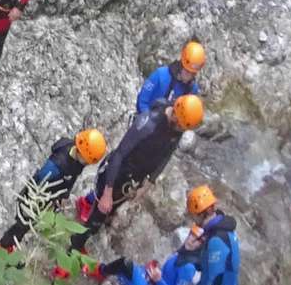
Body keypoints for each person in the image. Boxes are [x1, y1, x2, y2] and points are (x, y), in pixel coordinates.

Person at [70, 93, 205, 253]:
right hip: (117, 174)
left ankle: (88, 206)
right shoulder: (149, 124)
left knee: (109, 209)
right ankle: (75, 245)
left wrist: (148, 183)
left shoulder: (177, 126)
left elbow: (166, 155)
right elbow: (119, 154)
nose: (182, 130)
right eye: (182, 126)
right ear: (176, 115)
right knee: (100, 214)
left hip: (133, 179)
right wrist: (107, 193)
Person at [0, 128, 106, 252]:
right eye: (86, 162)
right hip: (37, 197)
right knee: (23, 224)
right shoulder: (56, 166)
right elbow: (40, 180)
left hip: (53, 193)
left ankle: (12, 243)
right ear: (80, 151)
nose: (86, 164)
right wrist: (35, 202)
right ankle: (5, 246)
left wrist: (61, 196)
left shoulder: (72, 150)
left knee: (28, 224)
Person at [93, 225, 204, 285]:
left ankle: (99, 272)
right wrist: (154, 271)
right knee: (126, 270)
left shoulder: (189, 268)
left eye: (196, 241)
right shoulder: (180, 255)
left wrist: (159, 280)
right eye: (191, 235)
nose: (191, 240)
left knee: (124, 264)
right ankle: (107, 276)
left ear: (200, 247)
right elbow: (166, 275)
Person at [182, 184, 239, 285]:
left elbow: (212, 281)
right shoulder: (223, 230)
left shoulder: (216, 240)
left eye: (194, 215)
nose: (194, 220)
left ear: (202, 213)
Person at [135, 41, 206, 114]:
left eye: (193, 74)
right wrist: (148, 121)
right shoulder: (160, 75)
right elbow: (142, 101)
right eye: (187, 71)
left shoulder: (192, 89)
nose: (189, 77)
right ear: (181, 65)